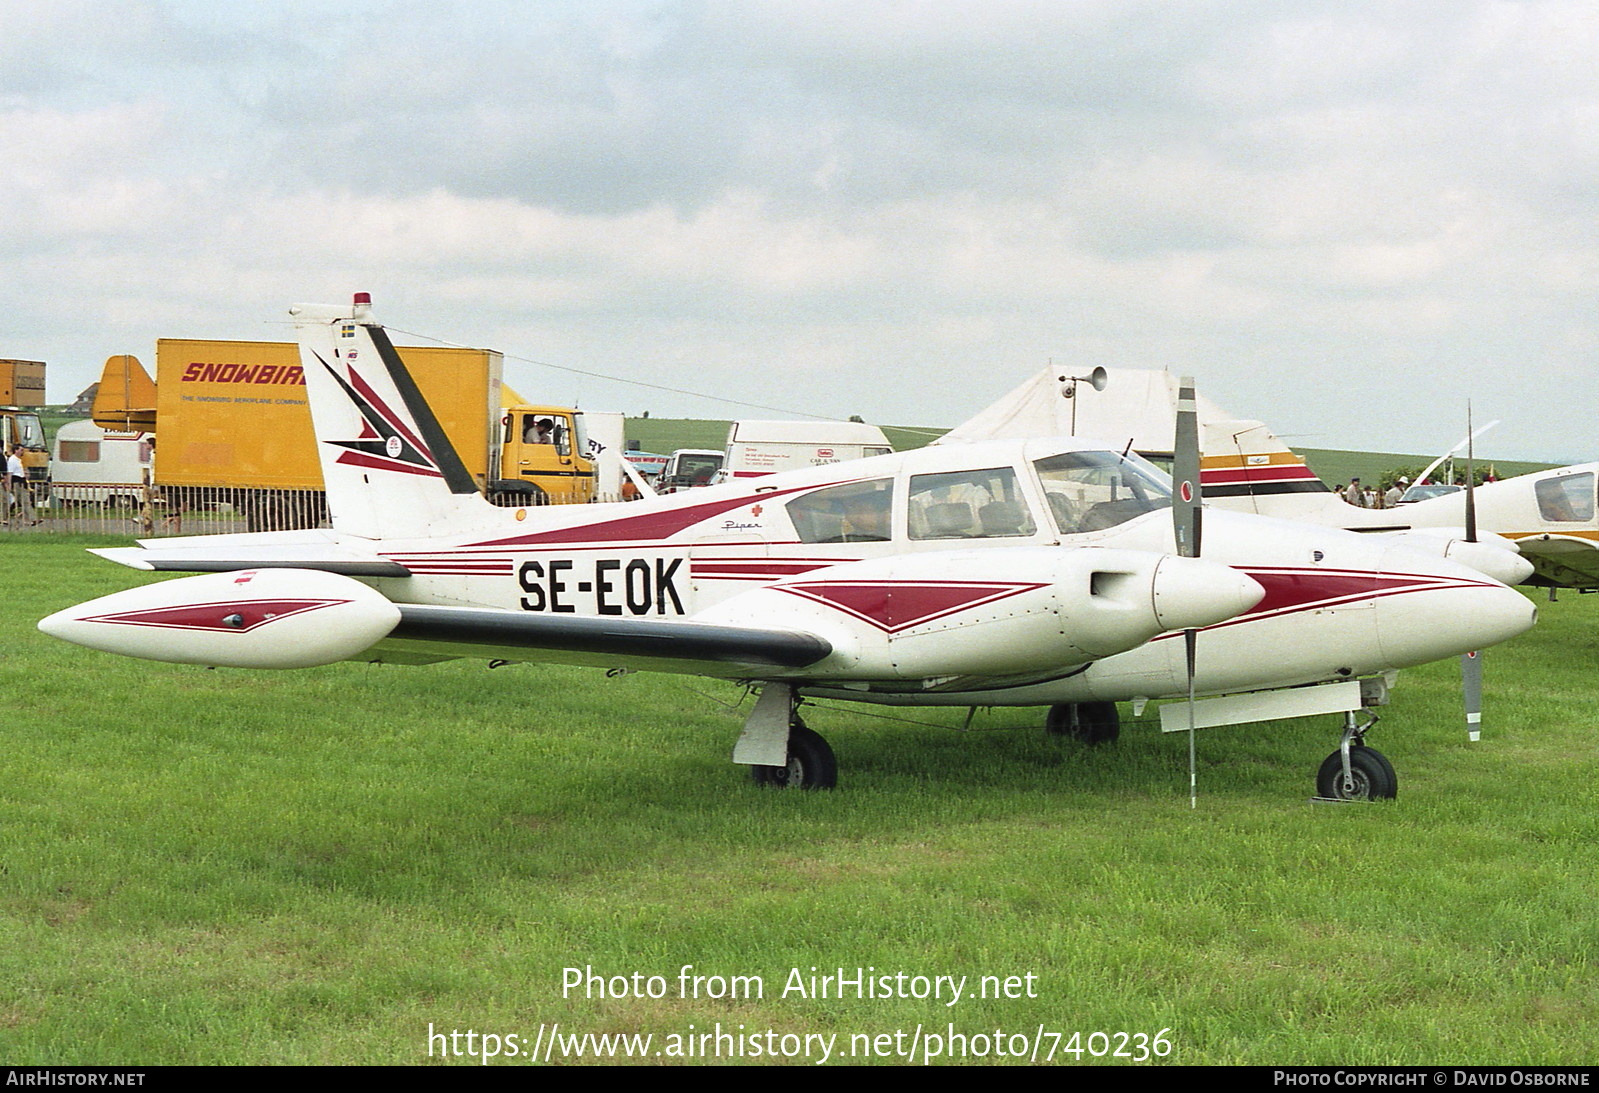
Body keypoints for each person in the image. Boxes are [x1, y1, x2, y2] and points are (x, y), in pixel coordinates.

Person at [6, 445, 37, 525]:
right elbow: (10, 473)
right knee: (25, 501)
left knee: (24, 501)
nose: (22, 452)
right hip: (17, 482)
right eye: (21, 450)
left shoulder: (18, 460)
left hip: (21, 482)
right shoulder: (12, 460)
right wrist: (9, 484)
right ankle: (32, 519)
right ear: (16, 450)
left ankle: (28, 519)